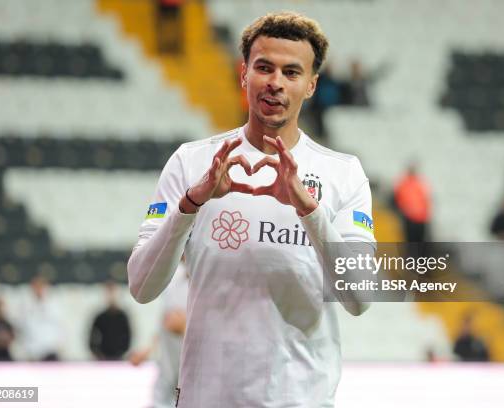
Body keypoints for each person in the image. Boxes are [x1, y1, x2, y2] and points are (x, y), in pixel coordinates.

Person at [128, 12, 376, 407]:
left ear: (311, 85)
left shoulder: (342, 174)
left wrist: (310, 211)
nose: (275, 82)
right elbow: (141, 287)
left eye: (292, 72)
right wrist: (191, 205)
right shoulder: (191, 163)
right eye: (264, 67)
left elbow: (360, 298)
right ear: (244, 74)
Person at [129, 263, 188, 408]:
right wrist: (147, 349)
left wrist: (185, 328)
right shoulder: (173, 275)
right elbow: (165, 321)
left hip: (197, 371)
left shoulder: (215, 278)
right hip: (169, 369)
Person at [18, 276, 63, 361]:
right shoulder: (25, 305)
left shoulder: (54, 304)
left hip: (50, 349)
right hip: (32, 351)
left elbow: (59, 325)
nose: (38, 289)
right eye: (36, 287)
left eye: (41, 287)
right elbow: (22, 326)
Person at [89, 281, 132, 361]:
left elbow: (128, 337)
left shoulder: (122, 317)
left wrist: (122, 353)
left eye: (113, 292)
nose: (111, 296)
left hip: (119, 358)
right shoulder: (100, 317)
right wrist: (98, 354)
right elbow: (92, 338)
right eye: (108, 293)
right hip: (102, 359)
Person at [393, 163, 431, 242]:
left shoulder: (405, 184)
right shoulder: (419, 184)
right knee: (416, 242)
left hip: (416, 219)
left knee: (413, 242)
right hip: (415, 219)